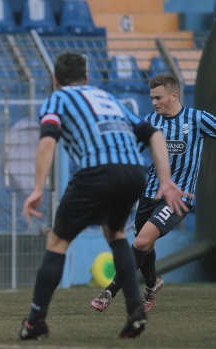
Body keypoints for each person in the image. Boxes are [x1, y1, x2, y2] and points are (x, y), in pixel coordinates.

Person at [19, 52, 190, 340]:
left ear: (55, 80)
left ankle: (35, 321)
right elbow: (155, 135)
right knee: (116, 234)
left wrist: (37, 188)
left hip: (96, 171)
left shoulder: (57, 98)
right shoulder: (107, 97)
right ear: (86, 78)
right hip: (134, 173)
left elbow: (48, 140)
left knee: (57, 241)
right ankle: (136, 311)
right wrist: (166, 181)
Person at [91, 72, 216, 313]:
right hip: (148, 196)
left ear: (174, 95)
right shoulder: (150, 122)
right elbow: (128, 151)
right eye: (152, 98)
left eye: (158, 97)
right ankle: (152, 284)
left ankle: (110, 291)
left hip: (178, 197)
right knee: (144, 246)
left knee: (141, 241)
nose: (154, 102)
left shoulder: (197, 119)